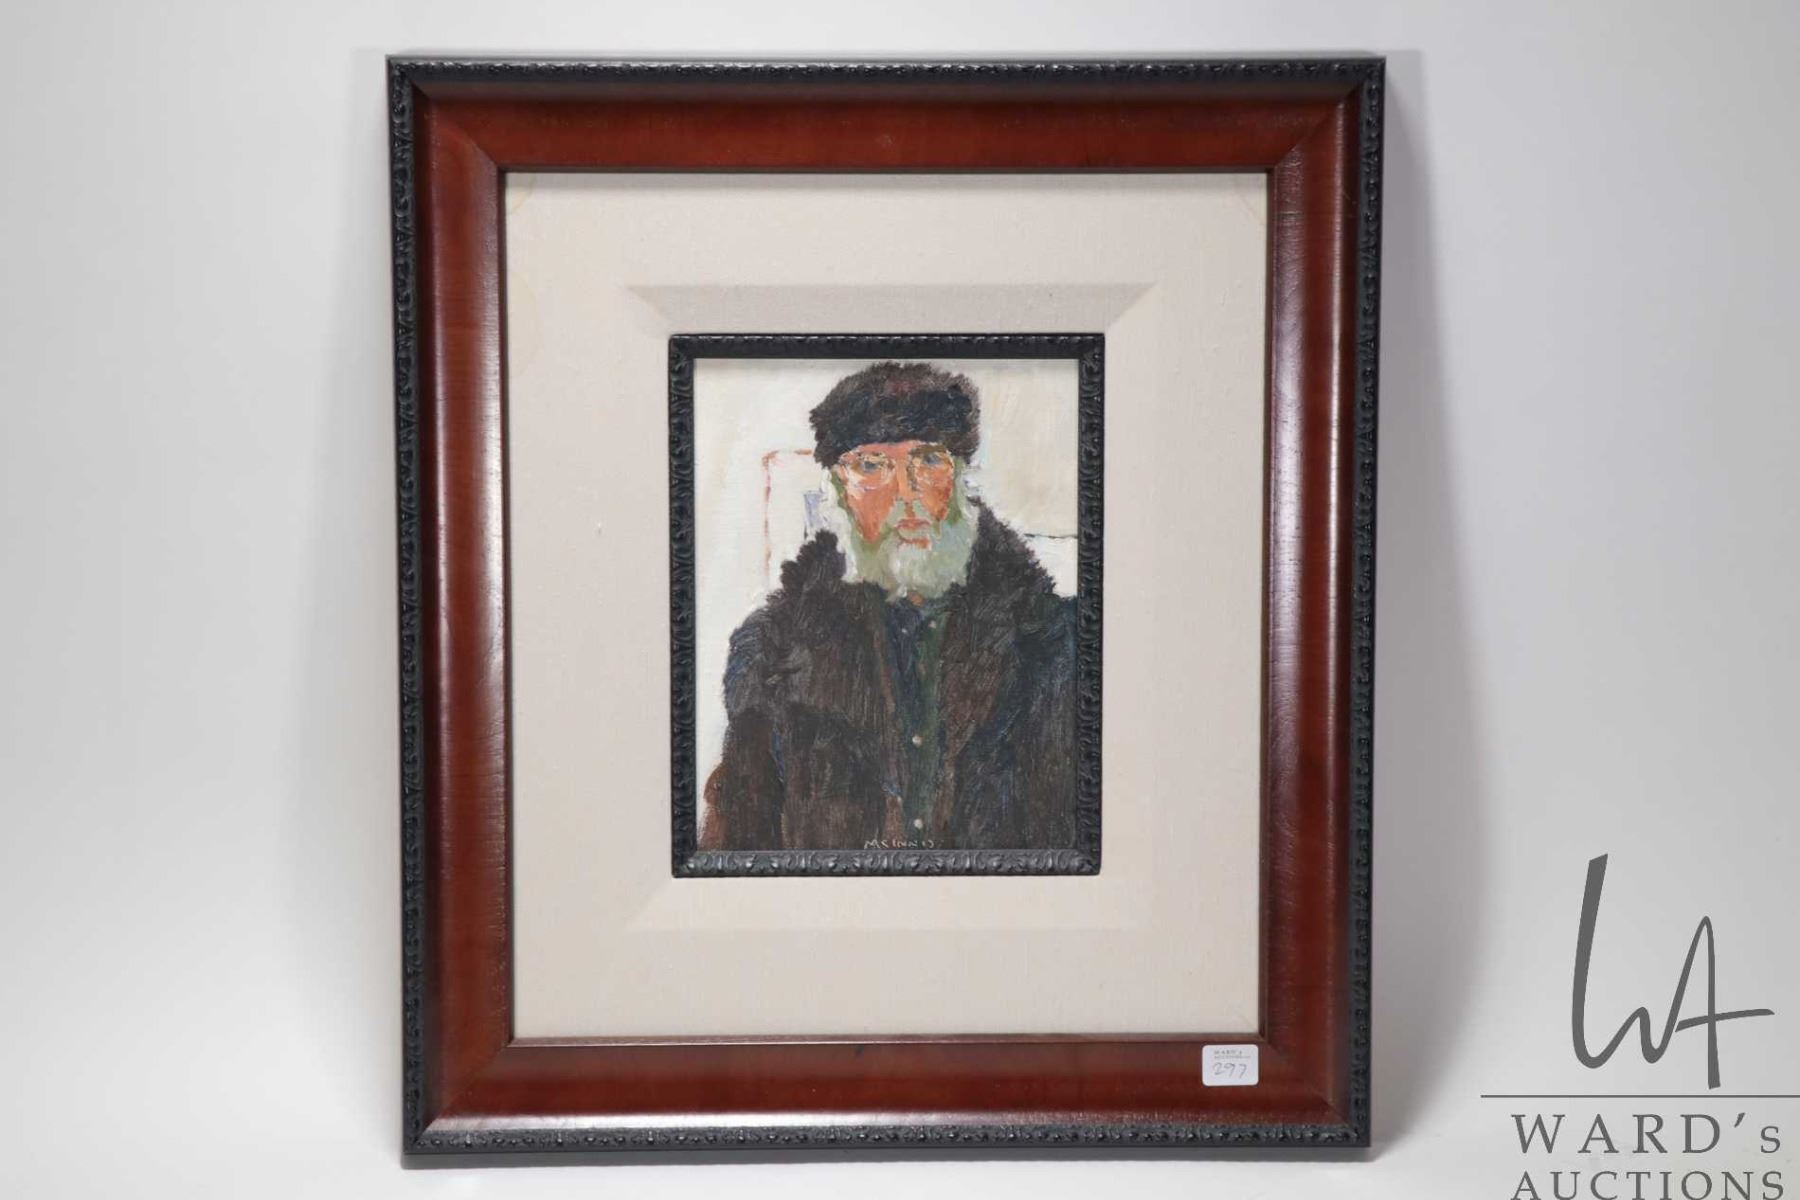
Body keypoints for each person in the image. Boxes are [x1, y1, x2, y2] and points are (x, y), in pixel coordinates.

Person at [700, 361, 1078, 851]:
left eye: (928, 461)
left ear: (960, 480)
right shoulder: (773, 651)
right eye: (871, 466)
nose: (906, 493)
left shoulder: (1051, 642)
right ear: (839, 490)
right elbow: (736, 847)